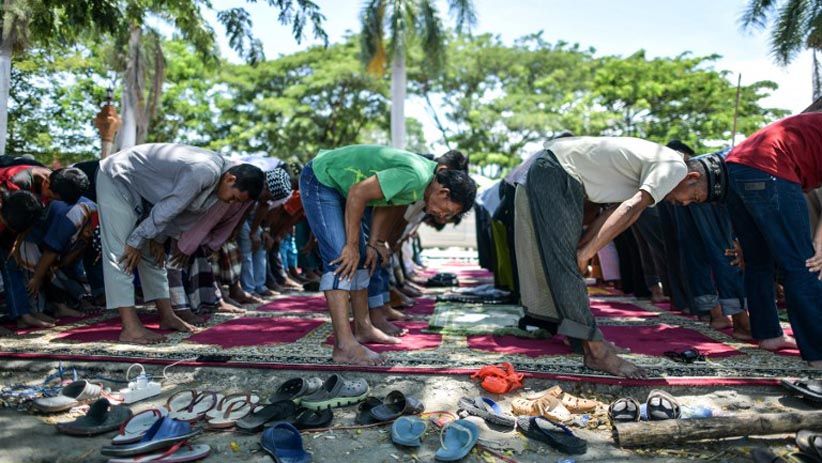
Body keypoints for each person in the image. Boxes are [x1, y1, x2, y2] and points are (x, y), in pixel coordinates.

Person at [524, 136, 707, 378]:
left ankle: (582, 341)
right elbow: (631, 207)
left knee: (568, 261)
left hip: (558, 170)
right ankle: (596, 352)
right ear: (692, 178)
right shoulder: (675, 167)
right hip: (557, 170)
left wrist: (585, 247)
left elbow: (619, 212)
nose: (684, 203)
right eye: (693, 197)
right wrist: (585, 252)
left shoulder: (654, 169)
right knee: (564, 264)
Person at [300, 144, 477, 366]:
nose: (442, 216)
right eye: (447, 211)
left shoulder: (423, 185)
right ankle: (344, 346)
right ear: (443, 193)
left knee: (363, 258)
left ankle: (364, 328)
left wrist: (376, 242)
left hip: (342, 187)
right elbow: (358, 193)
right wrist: (352, 245)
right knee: (341, 257)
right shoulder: (416, 176)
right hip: (321, 178)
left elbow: (389, 203)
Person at [97, 143, 264, 344]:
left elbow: (183, 215)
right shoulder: (204, 170)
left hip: (144, 193)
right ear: (230, 179)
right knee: (122, 253)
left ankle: (167, 316)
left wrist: (158, 238)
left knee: (154, 254)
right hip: (118, 176)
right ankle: (130, 328)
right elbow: (172, 205)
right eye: (234, 197)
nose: (231, 203)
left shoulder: (219, 183)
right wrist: (136, 240)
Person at [695, 113, 821, 367]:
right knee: (802, 262)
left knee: (756, 260)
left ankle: (768, 334)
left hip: (734, 167)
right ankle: (818, 351)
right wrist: (819, 244)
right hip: (768, 167)